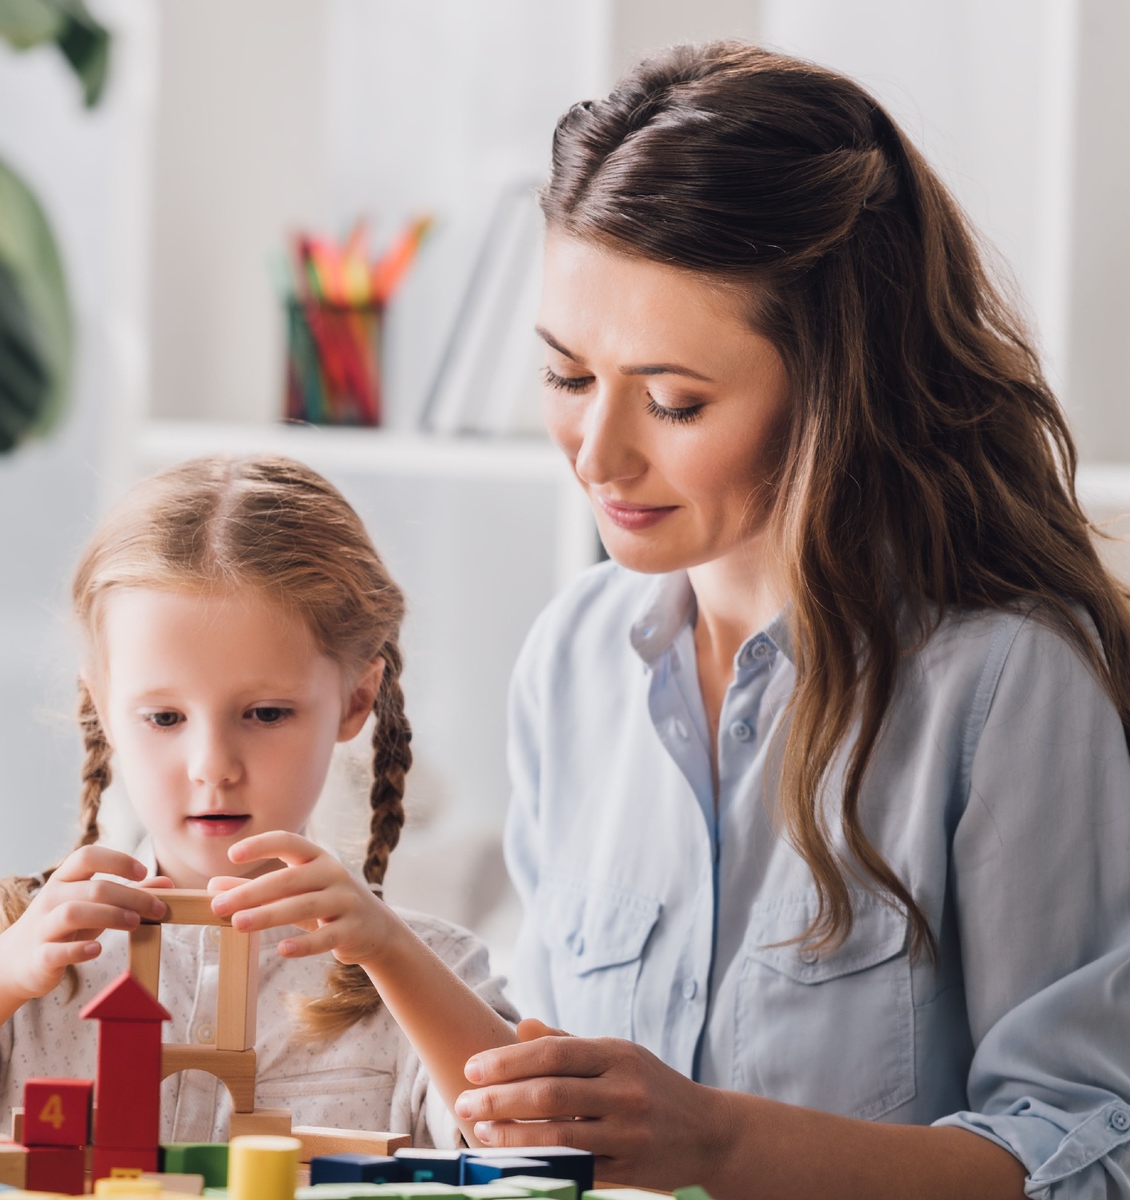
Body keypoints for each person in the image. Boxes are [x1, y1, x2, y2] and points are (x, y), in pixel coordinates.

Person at [449, 40, 1130, 1198]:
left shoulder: (1005, 683)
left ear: (833, 386)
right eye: (568, 379)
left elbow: (1086, 1150)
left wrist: (722, 1145)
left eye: (673, 400)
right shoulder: (570, 660)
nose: (598, 454)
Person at [0, 454, 516, 1148]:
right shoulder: (15, 949)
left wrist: (389, 951)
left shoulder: (429, 969)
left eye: (266, 714)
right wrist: (2, 972)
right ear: (103, 712)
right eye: (165, 718)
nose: (213, 767)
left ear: (356, 699)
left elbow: (525, 1140)